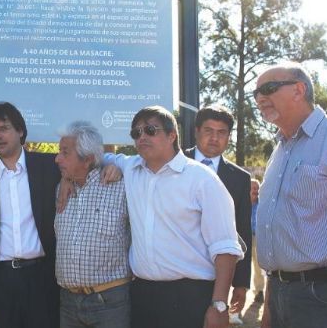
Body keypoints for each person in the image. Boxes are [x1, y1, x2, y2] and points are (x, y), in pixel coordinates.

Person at [253, 63, 327, 328]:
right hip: (281, 295)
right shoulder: (279, 151)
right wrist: (271, 301)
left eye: (268, 88)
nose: (260, 98)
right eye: (255, 93)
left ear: (299, 90)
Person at [104, 105, 243, 328]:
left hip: (190, 297)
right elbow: (88, 158)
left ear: (172, 135)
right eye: (136, 133)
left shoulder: (202, 179)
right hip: (142, 297)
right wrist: (66, 180)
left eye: (150, 130)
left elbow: (225, 248)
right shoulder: (130, 168)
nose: (142, 137)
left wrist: (219, 305)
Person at [0, 102, 61, 328]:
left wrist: (113, 165)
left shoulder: (49, 166)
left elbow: (86, 163)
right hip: (0, 282)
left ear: (20, 131)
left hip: (42, 277)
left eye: (4, 128)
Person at [54, 121, 130, 328]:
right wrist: (65, 180)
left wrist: (117, 168)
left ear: (87, 159)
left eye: (65, 153)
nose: (57, 158)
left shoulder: (120, 187)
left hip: (109, 303)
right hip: (69, 303)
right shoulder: (61, 189)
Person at [186, 105, 252, 321]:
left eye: (221, 132)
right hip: (175, 272)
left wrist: (241, 283)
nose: (214, 138)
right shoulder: (174, 162)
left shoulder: (240, 178)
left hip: (216, 276)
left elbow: (242, 230)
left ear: (229, 137)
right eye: (208, 130)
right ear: (196, 131)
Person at [249, 178, 265, 304]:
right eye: (253, 188)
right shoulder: (242, 203)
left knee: (258, 266)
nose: (256, 191)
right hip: (244, 237)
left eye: (257, 188)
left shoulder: (263, 204)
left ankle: (259, 291)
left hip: (258, 237)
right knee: (241, 266)